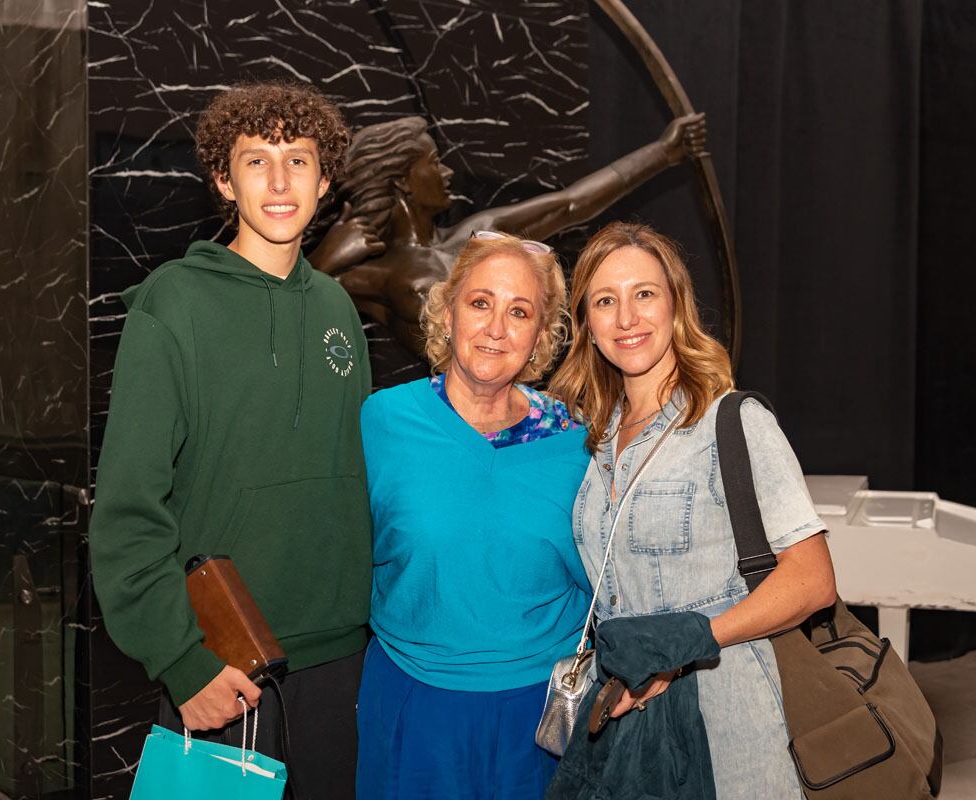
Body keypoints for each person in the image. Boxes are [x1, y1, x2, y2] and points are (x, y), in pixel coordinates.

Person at [88, 82, 371, 799]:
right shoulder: (171, 303)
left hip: (339, 662)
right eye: (256, 160)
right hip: (222, 665)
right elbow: (127, 513)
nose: (280, 182)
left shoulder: (338, 305)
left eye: (299, 160)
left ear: (325, 179)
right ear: (223, 179)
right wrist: (180, 661)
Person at [548, 221, 838, 798]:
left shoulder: (732, 423)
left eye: (645, 294)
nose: (627, 318)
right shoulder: (596, 441)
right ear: (586, 323)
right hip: (628, 722)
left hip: (729, 718)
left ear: (676, 305)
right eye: (606, 301)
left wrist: (692, 637)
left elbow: (813, 582)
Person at [356, 231, 591, 799]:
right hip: (414, 704)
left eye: (520, 312)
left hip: (541, 716)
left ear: (540, 336)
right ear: (448, 311)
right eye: (480, 303)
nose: (495, 328)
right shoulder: (382, 422)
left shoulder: (579, 441)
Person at [313, 112, 706, 359]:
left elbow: (570, 205)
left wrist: (663, 153)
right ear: (403, 182)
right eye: (433, 164)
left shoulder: (477, 237)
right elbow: (272, 314)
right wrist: (323, 261)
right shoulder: (371, 274)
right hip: (445, 421)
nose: (447, 173)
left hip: (522, 398)